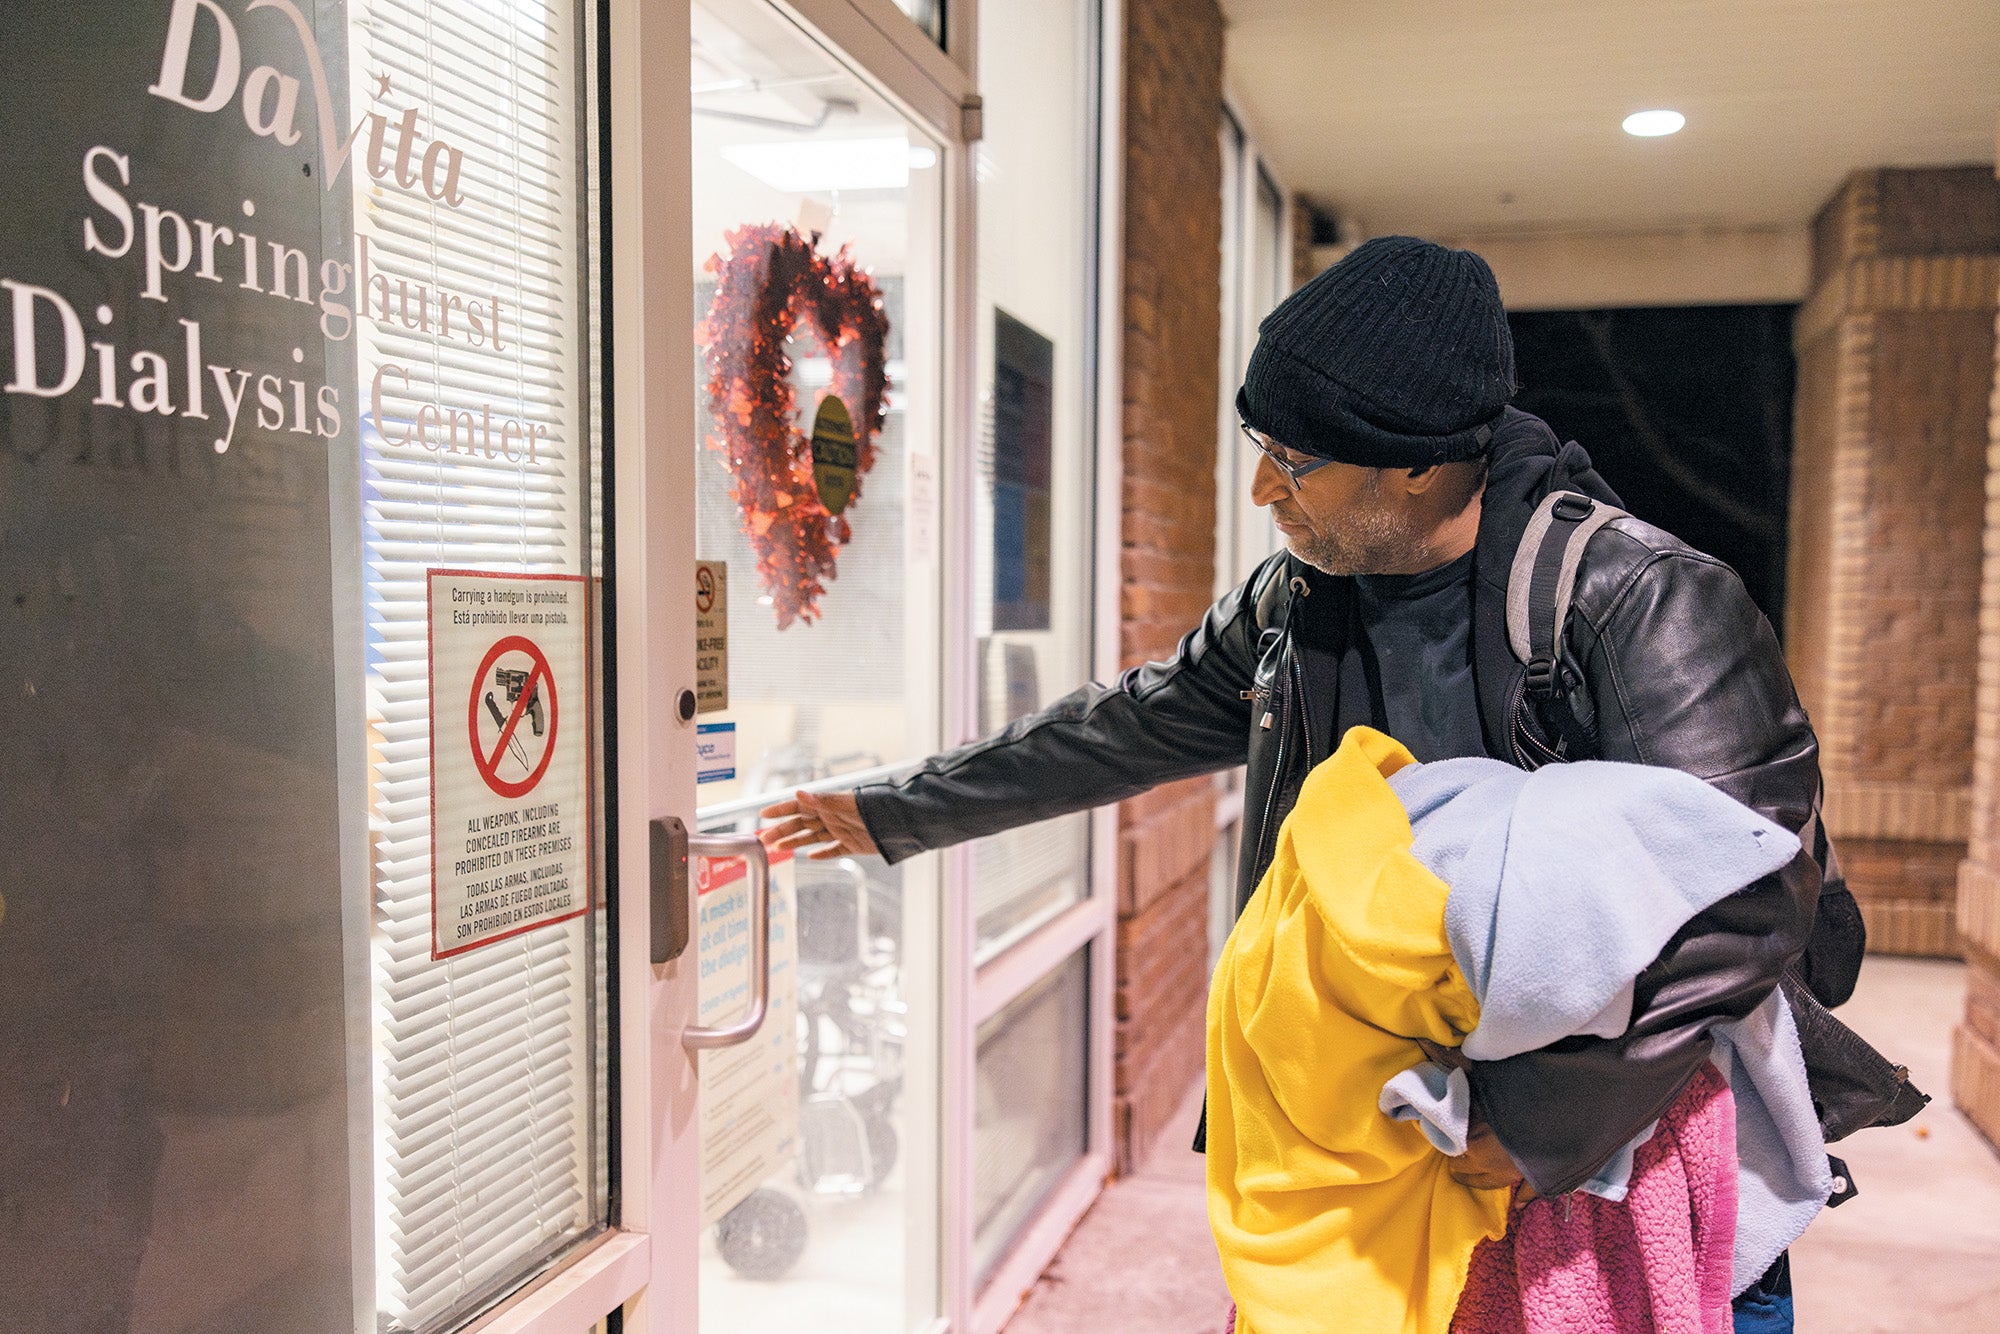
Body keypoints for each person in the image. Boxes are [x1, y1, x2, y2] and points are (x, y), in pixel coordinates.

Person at [760, 236, 1865, 1330]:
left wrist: (1523, 1128)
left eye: (1292, 458)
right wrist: (890, 808)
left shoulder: (1640, 599)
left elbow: (1751, 896)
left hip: (1592, 1151)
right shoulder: (1301, 596)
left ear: (1419, 462)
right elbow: (1128, 723)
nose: (1258, 487)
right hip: (1374, 1139)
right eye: (1259, 442)